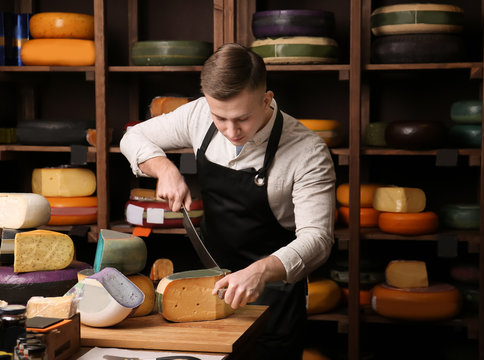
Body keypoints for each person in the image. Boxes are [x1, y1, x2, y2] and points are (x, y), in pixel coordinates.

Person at [120, 43, 336, 360]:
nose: (231, 131)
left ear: (266, 100)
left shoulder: (308, 151)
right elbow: (133, 137)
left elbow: (318, 239)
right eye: (219, 118)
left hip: (273, 295)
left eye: (243, 119)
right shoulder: (197, 114)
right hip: (207, 285)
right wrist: (164, 169)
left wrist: (260, 271)